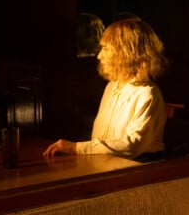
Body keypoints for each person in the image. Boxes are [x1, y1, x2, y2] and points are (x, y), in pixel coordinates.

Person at [43, 18, 169, 160]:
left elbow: (132, 145)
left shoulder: (148, 94)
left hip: (139, 166)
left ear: (128, 53)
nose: (99, 56)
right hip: (107, 162)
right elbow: (101, 137)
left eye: (106, 49)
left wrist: (76, 148)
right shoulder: (111, 86)